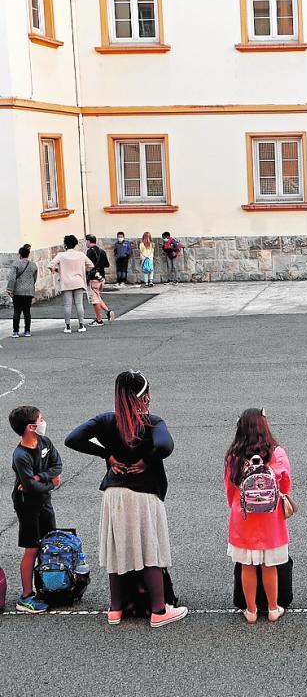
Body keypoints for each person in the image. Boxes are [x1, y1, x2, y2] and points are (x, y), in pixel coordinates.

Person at [65, 371, 188, 628]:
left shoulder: (106, 420)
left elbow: (72, 438)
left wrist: (107, 455)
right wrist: (146, 461)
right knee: (149, 550)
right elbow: (165, 446)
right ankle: (159, 610)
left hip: (114, 494)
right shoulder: (151, 422)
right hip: (143, 495)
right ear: (144, 395)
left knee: (118, 549)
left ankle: (115, 609)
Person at [225, 408, 291, 624]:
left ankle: (251, 610)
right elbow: (285, 483)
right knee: (269, 565)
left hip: (243, 517)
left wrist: (235, 506)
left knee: (247, 565)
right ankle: (273, 608)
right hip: (270, 518)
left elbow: (230, 488)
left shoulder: (234, 456)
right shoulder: (277, 453)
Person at [9, 405, 62, 614]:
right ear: (31, 427)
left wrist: (41, 477)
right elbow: (29, 488)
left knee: (48, 542)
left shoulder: (45, 442)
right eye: (40, 419)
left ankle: (47, 586)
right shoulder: (20, 455)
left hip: (44, 501)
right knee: (32, 548)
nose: (43, 422)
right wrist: (52, 483)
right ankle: (26, 597)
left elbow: (57, 465)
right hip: (27, 505)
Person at [48, 234, 94, 334]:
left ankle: (68, 326)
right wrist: (83, 270)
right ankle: (81, 325)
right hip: (78, 281)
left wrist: (58, 270)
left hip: (66, 282)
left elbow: (50, 265)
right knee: (79, 304)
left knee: (67, 305)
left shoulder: (61, 255)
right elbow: (91, 265)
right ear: (75, 244)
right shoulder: (81, 255)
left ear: (65, 245)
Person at [6, 244, 38, 338]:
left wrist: (9, 289)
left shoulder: (16, 264)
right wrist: (30, 286)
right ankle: (27, 331)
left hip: (18, 291)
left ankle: (15, 331)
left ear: (20, 254)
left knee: (17, 311)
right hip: (29, 291)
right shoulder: (33, 265)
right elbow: (34, 279)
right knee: (27, 311)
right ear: (28, 254)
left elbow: (12, 278)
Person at [85, 235, 115, 327]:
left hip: (94, 278)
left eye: (86, 241)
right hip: (101, 277)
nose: (86, 243)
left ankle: (99, 320)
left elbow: (88, 265)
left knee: (95, 300)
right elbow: (107, 264)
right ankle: (108, 312)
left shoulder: (90, 251)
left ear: (89, 241)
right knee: (97, 296)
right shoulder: (101, 251)